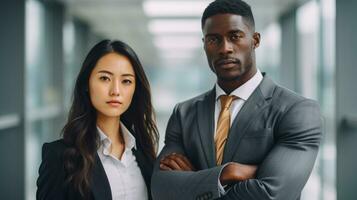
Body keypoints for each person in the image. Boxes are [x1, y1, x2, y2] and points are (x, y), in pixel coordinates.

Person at [151, 0, 322, 199]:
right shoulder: (184, 113)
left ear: (255, 40)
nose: (225, 48)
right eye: (214, 39)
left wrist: (195, 182)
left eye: (235, 36)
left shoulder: (297, 110)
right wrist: (228, 173)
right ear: (205, 45)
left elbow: (270, 194)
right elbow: (161, 189)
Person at [36, 39, 159, 200]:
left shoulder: (144, 151)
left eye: (126, 81)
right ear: (87, 83)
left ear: (135, 89)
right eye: (105, 78)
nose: (115, 90)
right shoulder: (59, 157)